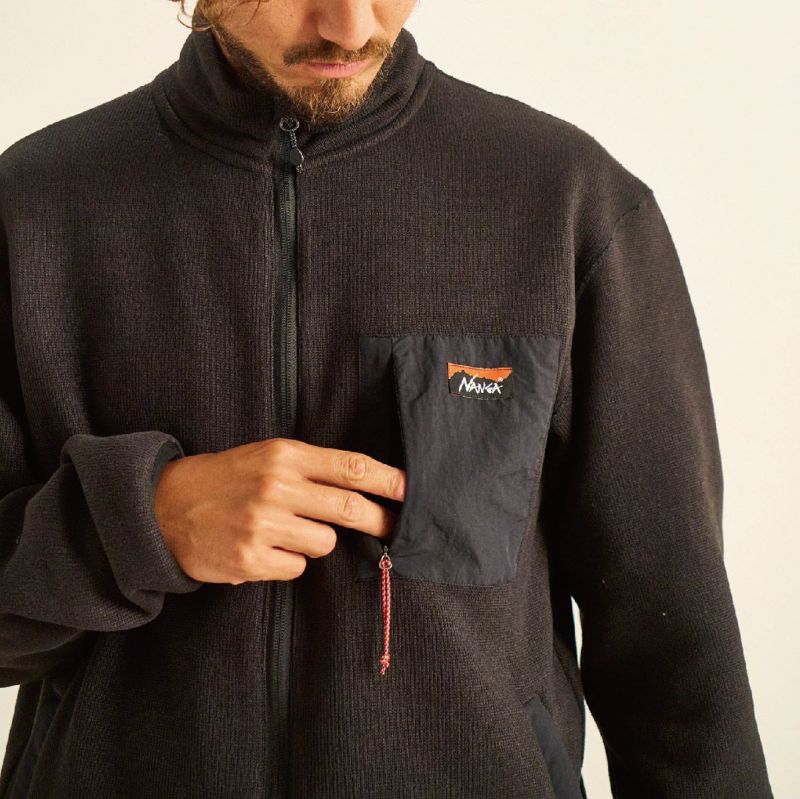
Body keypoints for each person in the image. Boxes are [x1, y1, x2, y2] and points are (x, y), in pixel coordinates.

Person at [0, 1, 774, 797]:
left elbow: (677, 657)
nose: (351, 25)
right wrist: (142, 527)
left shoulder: (565, 202)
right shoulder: (35, 207)